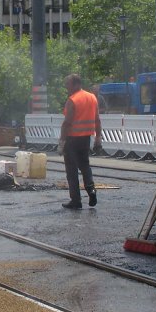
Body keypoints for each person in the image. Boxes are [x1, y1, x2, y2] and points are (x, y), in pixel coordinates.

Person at [59, 74, 102, 210]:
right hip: (85, 139)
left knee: (71, 171)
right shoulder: (92, 97)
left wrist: (62, 142)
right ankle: (91, 190)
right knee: (85, 166)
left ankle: (76, 201)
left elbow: (67, 123)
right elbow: (97, 120)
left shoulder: (72, 100)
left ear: (75, 84)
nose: (67, 88)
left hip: (72, 140)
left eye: (68, 85)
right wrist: (98, 138)